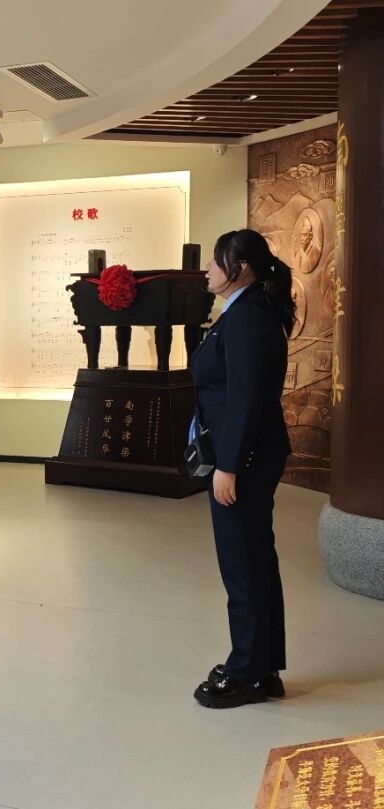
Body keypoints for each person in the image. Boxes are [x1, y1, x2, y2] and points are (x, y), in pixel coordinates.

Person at [190, 229, 293, 709]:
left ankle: (248, 672)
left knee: (242, 565)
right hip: (250, 453)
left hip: (244, 459)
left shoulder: (248, 316)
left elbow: (247, 398)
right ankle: (262, 666)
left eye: (216, 261)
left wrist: (229, 466)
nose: (208, 270)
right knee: (255, 559)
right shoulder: (246, 311)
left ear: (240, 268)